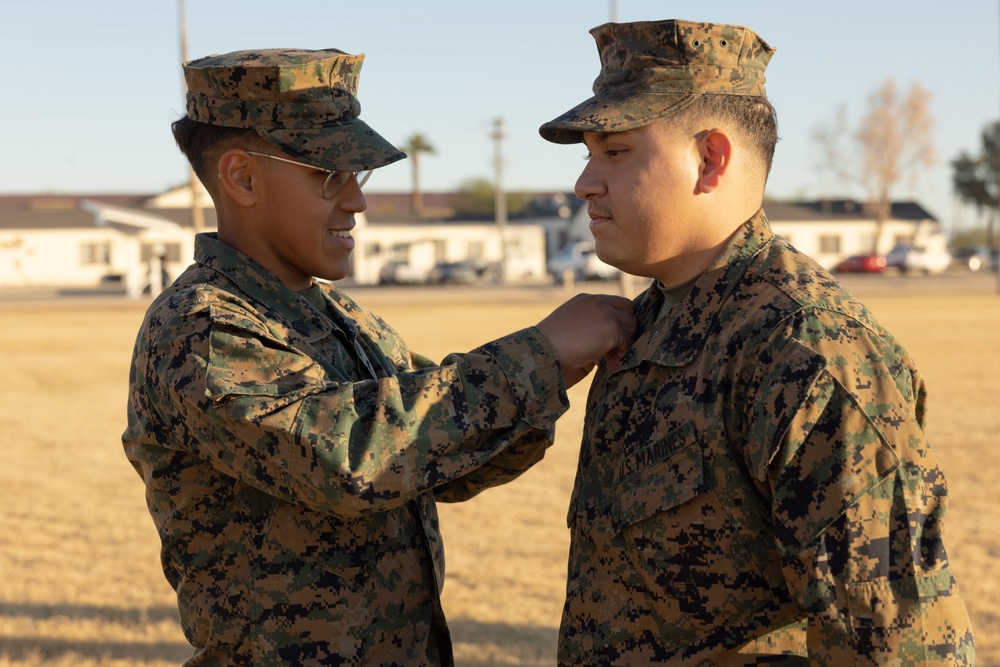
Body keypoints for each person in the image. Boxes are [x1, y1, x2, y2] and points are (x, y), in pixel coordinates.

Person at [123, 47, 635, 667]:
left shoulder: (332, 314)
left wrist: (557, 371)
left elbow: (447, 455)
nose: (357, 203)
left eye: (357, 176)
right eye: (328, 176)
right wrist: (542, 355)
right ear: (242, 177)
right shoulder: (201, 328)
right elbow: (354, 458)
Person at [538, 19, 975, 665]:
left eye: (617, 152)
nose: (585, 184)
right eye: (587, 155)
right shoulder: (650, 321)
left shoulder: (810, 353)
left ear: (711, 159)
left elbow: (898, 644)